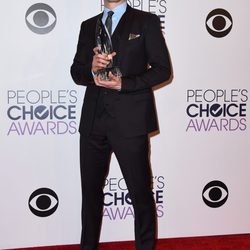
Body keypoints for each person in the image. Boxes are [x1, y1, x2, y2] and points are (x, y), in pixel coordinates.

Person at [70, 0, 171, 249]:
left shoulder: (146, 21)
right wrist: (92, 72)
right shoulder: (88, 26)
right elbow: (76, 71)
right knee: (90, 194)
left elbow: (162, 70)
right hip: (93, 123)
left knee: (140, 194)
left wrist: (124, 84)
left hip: (131, 121)